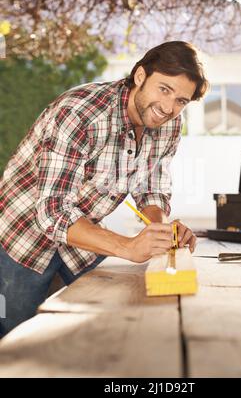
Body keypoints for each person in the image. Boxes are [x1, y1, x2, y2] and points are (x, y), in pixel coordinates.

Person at [0, 41, 209, 336]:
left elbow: (152, 186)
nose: (168, 107)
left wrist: (162, 233)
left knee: (109, 325)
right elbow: (53, 214)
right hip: (23, 238)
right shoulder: (80, 114)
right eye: (164, 89)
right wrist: (128, 247)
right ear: (140, 76)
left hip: (81, 238)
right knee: (14, 339)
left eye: (181, 100)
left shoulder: (169, 123)